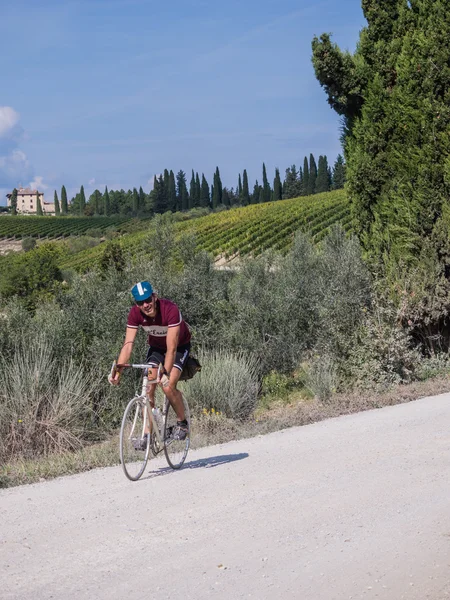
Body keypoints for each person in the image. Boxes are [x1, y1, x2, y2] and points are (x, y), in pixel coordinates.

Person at [109, 281, 190, 442]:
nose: (145, 305)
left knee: (167, 385)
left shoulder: (170, 310)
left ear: (154, 297)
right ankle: (148, 434)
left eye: (147, 300)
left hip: (179, 346)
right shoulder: (135, 314)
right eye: (140, 302)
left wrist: (165, 373)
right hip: (157, 348)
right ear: (136, 304)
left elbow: (172, 347)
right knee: (147, 389)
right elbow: (128, 345)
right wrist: (118, 371)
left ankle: (182, 423)